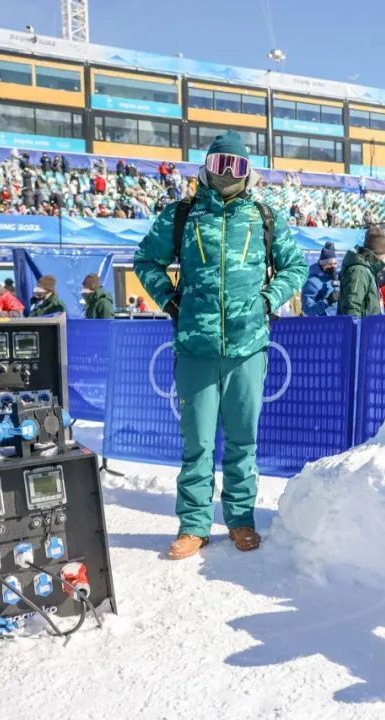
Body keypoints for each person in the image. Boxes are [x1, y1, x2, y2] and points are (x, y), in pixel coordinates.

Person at [134, 130, 308, 560]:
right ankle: (193, 524)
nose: (228, 174)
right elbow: (145, 260)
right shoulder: (184, 216)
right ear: (206, 170)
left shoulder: (265, 218)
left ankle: (240, 519)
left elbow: (295, 266)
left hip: (248, 349)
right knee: (197, 442)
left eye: (237, 166)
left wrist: (269, 298)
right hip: (196, 347)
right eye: (220, 165)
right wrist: (170, 298)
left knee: (243, 440)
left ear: (249, 173)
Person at [339, 226, 385, 317]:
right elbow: (352, 306)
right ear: (378, 254)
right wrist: (356, 330)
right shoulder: (359, 271)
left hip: (369, 327)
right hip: (362, 329)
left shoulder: (368, 270)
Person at [301, 242, 340, 317]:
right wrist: (328, 301)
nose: (333, 267)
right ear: (323, 264)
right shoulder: (312, 282)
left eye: (335, 264)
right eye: (330, 264)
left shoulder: (335, 277)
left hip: (337, 321)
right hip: (320, 324)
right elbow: (307, 309)